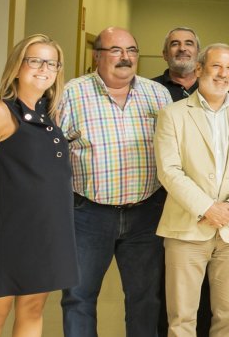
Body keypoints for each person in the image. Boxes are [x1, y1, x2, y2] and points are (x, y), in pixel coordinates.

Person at [0, 34, 76, 337]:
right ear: (18, 66)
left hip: (47, 230)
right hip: (7, 231)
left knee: (33, 308)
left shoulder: (49, 114)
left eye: (52, 63)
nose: (44, 69)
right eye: (35, 61)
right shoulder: (0, 111)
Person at [56, 27, 173, 336]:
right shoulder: (71, 94)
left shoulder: (157, 94)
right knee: (79, 296)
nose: (125, 57)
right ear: (97, 56)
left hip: (146, 213)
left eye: (131, 50)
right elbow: (53, 154)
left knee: (145, 298)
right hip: (88, 214)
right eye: (116, 50)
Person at [154, 44, 229, 337]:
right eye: (216, 66)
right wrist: (207, 207)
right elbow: (169, 171)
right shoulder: (173, 114)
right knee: (181, 319)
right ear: (199, 69)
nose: (223, 74)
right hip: (186, 229)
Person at [154, 26, 199, 101]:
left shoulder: (212, 86)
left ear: (198, 53)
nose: (182, 48)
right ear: (165, 54)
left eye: (188, 44)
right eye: (175, 44)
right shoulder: (149, 88)